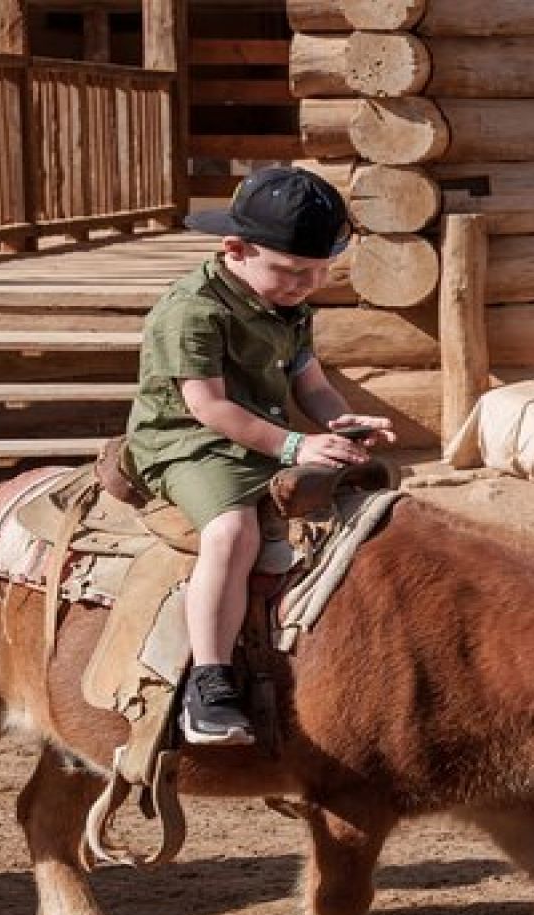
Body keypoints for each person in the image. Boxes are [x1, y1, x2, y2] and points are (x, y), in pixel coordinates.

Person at [126, 166, 393, 746]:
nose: (309, 284)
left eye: (322, 272)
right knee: (232, 532)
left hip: (263, 437)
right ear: (235, 249)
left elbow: (311, 382)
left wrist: (338, 421)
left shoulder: (289, 304)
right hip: (188, 444)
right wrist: (296, 444)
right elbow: (208, 408)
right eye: (295, 272)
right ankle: (209, 681)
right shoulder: (191, 310)